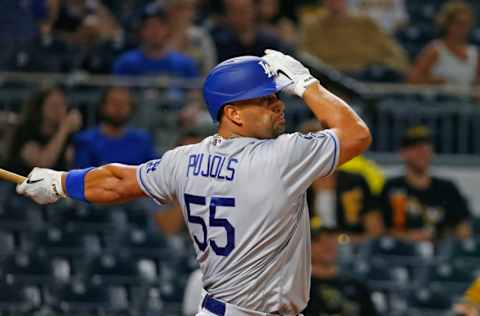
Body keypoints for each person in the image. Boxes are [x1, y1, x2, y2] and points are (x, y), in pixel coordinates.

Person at [16, 49, 371, 315]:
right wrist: (306, 84)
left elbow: (117, 181)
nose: (278, 105)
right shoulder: (281, 157)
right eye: (265, 99)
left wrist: (62, 181)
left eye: (277, 96)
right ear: (232, 113)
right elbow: (356, 134)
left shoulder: (184, 159)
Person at [380, 125, 472, 241]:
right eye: (415, 148)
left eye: (425, 147)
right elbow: (378, 229)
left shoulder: (447, 188)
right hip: (399, 255)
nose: (422, 152)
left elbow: (463, 229)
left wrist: (440, 237)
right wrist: (410, 237)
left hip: (441, 255)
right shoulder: (392, 186)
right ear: (403, 153)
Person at [300, 0, 409, 76]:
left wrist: (391, 68)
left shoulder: (366, 24)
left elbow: (394, 55)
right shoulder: (313, 26)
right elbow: (305, 58)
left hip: (367, 79)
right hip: (329, 82)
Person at [5, 86, 82, 177]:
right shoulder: (25, 131)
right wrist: (64, 129)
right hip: (21, 186)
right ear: (40, 107)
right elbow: (43, 164)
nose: (59, 110)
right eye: (54, 106)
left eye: (62, 105)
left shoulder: (65, 134)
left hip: (53, 188)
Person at [302, 224, 378, 316]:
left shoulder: (356, 284)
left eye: (330, 238)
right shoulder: (300, 287)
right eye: (317, 240)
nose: (327, 244)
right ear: (306, 247)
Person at [73, 86, 157, 168]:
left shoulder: (142, 141)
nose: (119, 108)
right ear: (103, 106)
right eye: (114, 103)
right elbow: (82, 176)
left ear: (131, 108)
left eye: (124, 104)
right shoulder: (86, 141)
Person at [112, 2, 198, 78]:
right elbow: (116, 94)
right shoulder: (127, 63)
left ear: (167, 29)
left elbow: (195, 94)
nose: (155, 31)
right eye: (149, 26)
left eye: (159, 25)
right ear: (141, 30)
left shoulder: (184, 64)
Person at [408, 0, 479, 85]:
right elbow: (413, 79)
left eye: (466, 24)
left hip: (466, 97)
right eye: (458, 24)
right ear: (447, 25)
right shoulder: (435, 49)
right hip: (441, 97)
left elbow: (477, 84)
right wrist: (435, 81)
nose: (463, 29)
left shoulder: (474, 53)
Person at [209, 0, 293, 63]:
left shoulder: (270, 41)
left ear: (254, 10)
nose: (239, 17)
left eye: (243, 11)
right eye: (234, 12)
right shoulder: (218, 42)